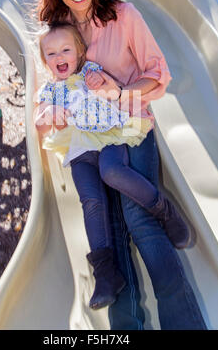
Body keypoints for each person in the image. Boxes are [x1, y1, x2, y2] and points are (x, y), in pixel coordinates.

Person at [35, 0, 207, 330]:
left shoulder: (123, 16)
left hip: (128, 126)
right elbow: (48, 92)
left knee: (138, 218)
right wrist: (49, 114)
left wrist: (120, 92)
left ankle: (184, 324)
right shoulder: (54, 33)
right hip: (85, 140)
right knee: (107, 231)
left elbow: (158, 75)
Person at [34, 22, 191, 309]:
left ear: (79, 51)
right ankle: (105, 274)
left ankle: (163, 210)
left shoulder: (90, 71)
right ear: (44, 59)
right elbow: (40, 122)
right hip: (80, 150)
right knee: (91, 201)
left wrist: (103, 85)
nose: (59, 57)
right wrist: (49, 114)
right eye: (51, 53)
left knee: (113, 171)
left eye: (66, 50)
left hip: (108, 136)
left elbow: (114, 91)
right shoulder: (49, 92)